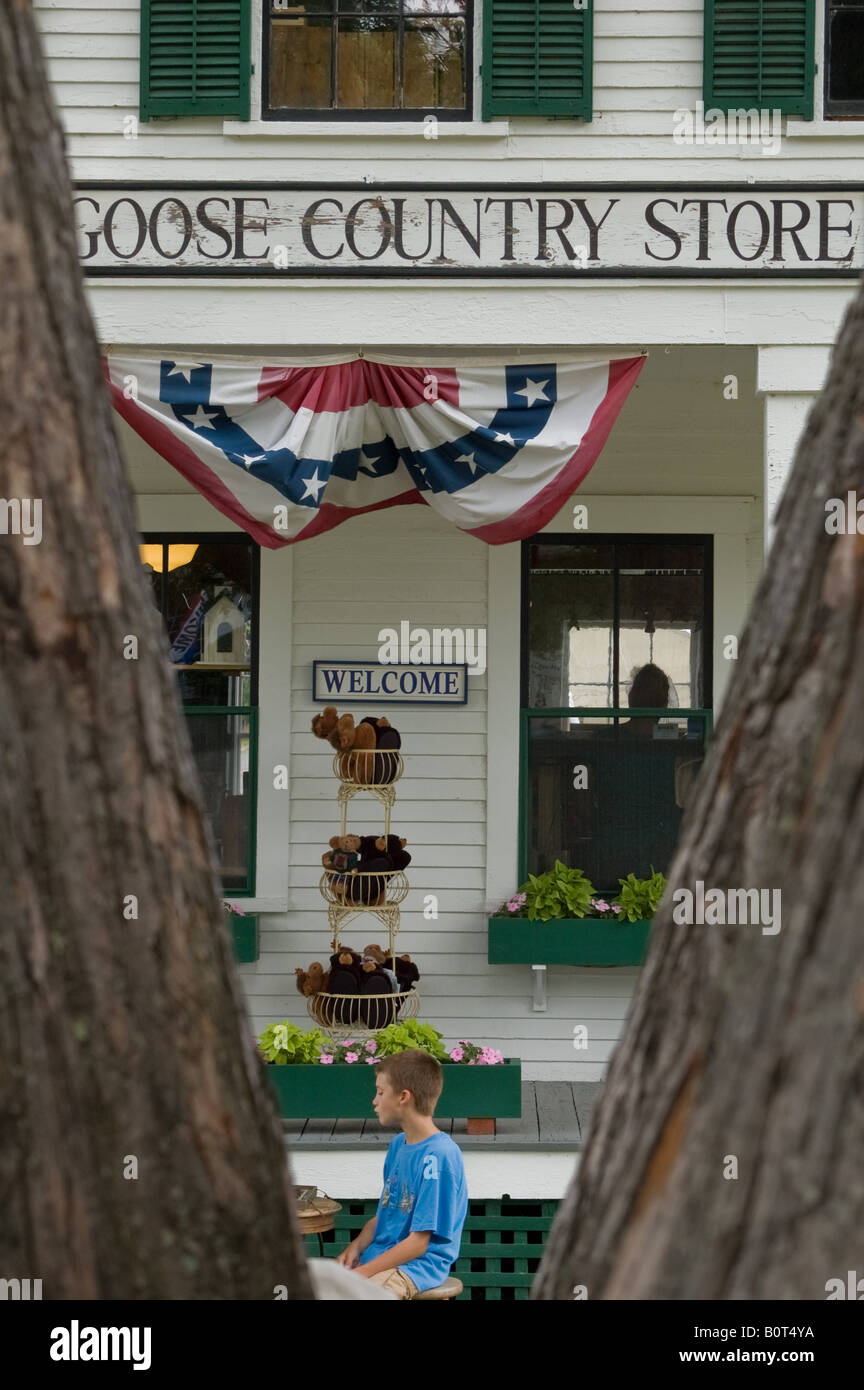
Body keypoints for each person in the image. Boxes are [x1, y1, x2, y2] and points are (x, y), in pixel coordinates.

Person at [335, 1049, 468, 1299]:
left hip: (415, 1266)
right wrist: (356, 1248)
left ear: (403, 1097)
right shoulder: (399, 1145)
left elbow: (419, 1242)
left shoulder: (438, 1157)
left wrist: (361, 1274)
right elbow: (386, 1215)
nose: (374, 1101)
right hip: (380, 1257)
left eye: (380, 1092)